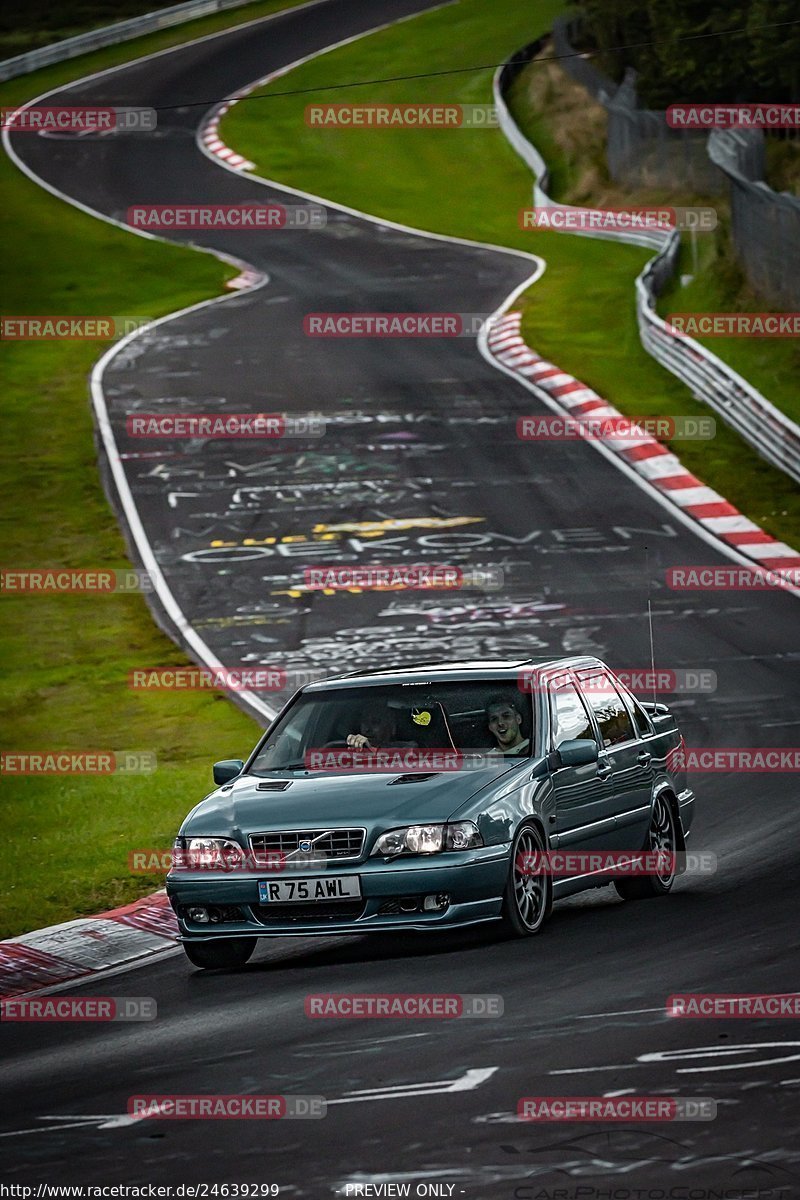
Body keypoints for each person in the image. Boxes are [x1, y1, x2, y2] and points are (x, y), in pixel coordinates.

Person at [346, 702, 413, 750]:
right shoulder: (351, 752)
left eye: (375, 722)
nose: (367, 729)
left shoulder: (408, 749)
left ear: (392, 727)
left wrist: (371, 749)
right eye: (364, 722)